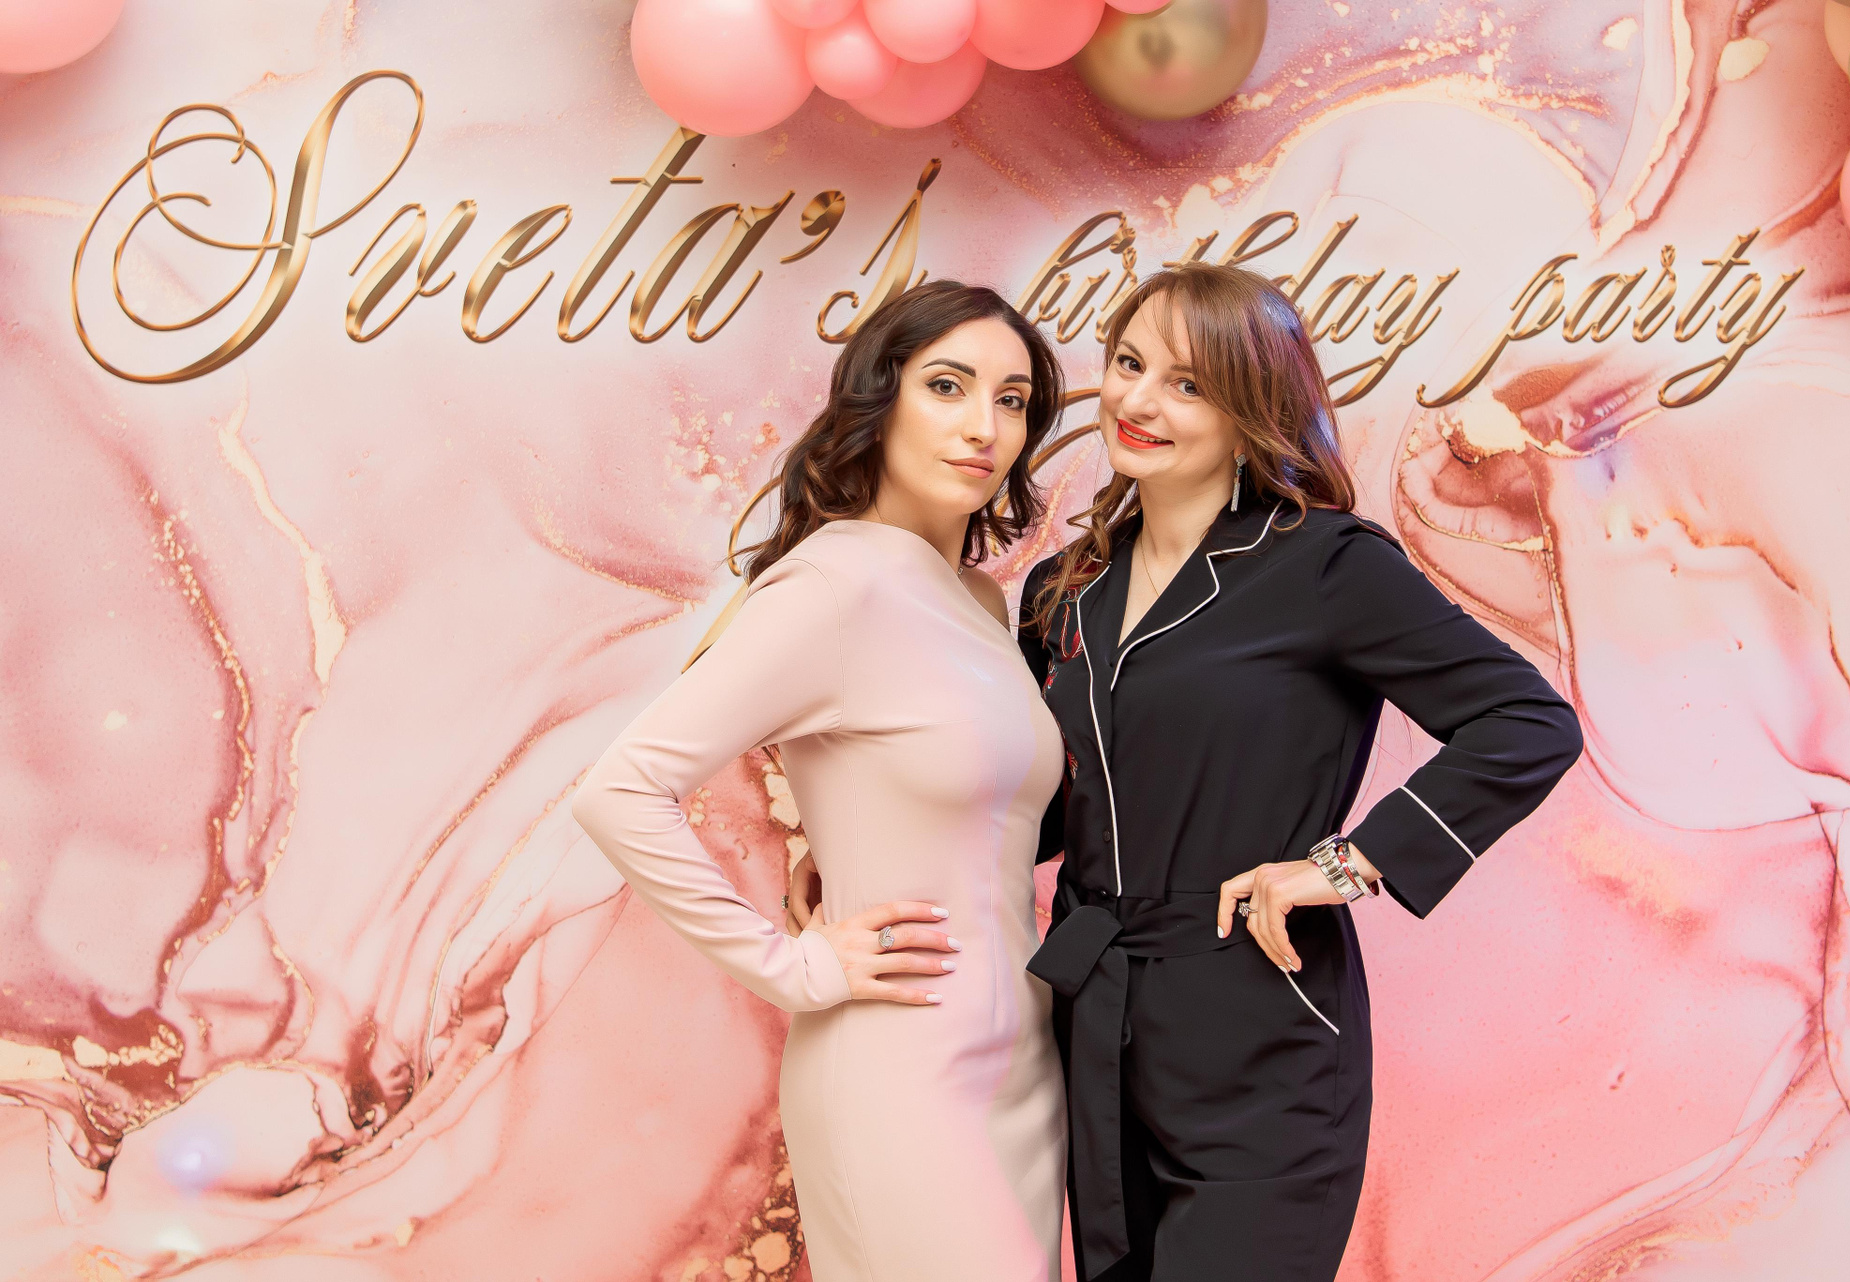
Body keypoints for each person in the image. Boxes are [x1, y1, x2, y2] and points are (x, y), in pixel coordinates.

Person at [1018, 262, 1585, 1282]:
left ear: (1252, 410)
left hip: (1260, 1015)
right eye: (1130, 364)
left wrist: (1345, 863)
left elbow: (1526, 721)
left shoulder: (1325, 565)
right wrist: (864, 845)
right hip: (1094, 1017)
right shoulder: (1065, 589)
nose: (1139, 401)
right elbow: (1038, 807)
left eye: (1188, 384)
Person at [572, 280, 1069, 1281]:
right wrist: (790, 967)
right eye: (947, 386)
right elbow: (618, 791)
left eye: (1012, 400)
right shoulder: (836, 583)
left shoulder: (978, 598)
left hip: (1020, 1058)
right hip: (903, 1066)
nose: (984, 426)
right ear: (879, 399)